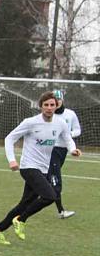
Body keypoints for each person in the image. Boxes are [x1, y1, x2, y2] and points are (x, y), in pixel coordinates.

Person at [0, 91, 81, 245]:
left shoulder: (60, 123)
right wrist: (12, 160)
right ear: (41, 106)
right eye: (46, 105)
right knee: (50, 196)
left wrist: (73, 149)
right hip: (28, 167)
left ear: (56, 105)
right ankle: (20, 220)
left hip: (43, 169)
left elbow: (67, 138)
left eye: (52, 105)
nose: (49, 108)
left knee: (24, 204)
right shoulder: (30, 122)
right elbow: (9, 138)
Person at [49, 90, 81, 219]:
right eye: (54, 101)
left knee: (47, 178)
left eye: (58, 100)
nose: (56, 103)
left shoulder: (70, 114)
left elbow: (78, 130)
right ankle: (61, 211)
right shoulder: (47, 114)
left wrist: (68, 134)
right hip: (50, 149)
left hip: (63, 150)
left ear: (62, 100)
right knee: (56, 179)